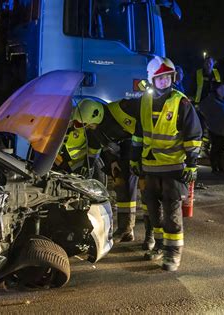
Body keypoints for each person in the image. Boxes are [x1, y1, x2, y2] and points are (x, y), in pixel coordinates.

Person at [131, 56, 202, 271]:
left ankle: (173, 254)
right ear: (152, 79)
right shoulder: (144, 100)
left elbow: (194, 134)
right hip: (150, 167)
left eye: (167, 78)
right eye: (160, 78)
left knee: (172, 214)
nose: (164, 81)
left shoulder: (181, 102)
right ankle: (160, 246)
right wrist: (135, 160)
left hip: (174, 167)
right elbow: (138, 134)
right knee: (153, 211)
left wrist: (191, 164)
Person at [85, 99, 141, 243]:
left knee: (149, 193)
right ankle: (125, 229)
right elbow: (105, 146)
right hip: (126, 149)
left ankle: (151, 236)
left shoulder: (124, 108)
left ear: (97, 116)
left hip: (140, 147)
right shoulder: (96, 127)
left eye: (91, 124)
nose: (91, 127)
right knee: (121, 184)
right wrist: (113, 162)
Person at [54, 99, 104, 176]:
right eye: (75, 122)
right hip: (62, 157)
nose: (76, 125)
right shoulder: (69, 118)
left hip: (77, 164)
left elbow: (92, 156)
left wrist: (86, 168)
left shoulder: (94, 136)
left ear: (90, 124)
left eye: (81, 124)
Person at [199, 81, 224, 174]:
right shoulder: (211, 100)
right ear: (216, 89)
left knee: (221, 150)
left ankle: (220, 167)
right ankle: (215, 167)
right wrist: (211, 119)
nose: (223, 90)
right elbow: (202, 108)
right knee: (215, 149)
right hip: (215, 130)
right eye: (220, 88)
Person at [191, 56, 222, 159]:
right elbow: (193, 87)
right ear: (204, 64)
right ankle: (197, 150)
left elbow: (220, 88)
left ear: (213, 64)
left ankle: (205, 149)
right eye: (207, 63)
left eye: (210, 63)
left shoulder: (216, 73)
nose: (208, 64)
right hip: (199, 105)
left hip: (213, 105)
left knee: (210, 129)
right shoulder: (198, 73)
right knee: (199, 128)